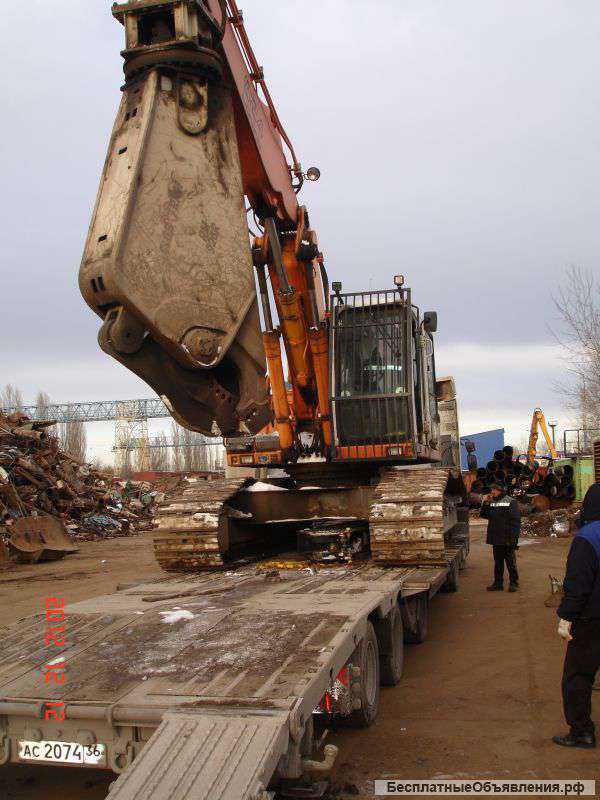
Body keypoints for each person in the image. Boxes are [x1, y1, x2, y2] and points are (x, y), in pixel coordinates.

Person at [554, 482, 600, 749]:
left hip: (591, 621)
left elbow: (578, 583)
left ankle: (582, 731)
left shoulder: (588, 537)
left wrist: (566, 616)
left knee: (578, 677)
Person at [480, 483, 521, 592]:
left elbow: (515, 522)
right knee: (498, 563)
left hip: (507, 537)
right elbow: (484, 515)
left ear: (500, 490)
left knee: (510, 562)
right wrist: (486, 503)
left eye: (494, 490)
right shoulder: (491, 501)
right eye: (491, 489)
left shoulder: (510, 501)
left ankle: (514, 583)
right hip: (496, 538)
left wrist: (514, 539)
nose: (492, 492)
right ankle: (498, 584)